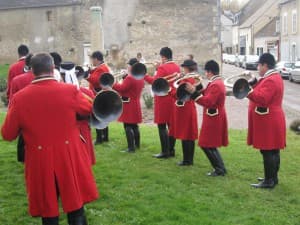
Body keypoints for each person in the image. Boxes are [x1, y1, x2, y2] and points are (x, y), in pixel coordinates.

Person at [1, 53, 99, 225]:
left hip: (39, 160)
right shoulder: (69, 90)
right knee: (75, 206)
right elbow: (90, 109)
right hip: (69, 156)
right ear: (53, 68)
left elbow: (8, 134)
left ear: (32, 71)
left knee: (48, 210)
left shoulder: (20, 98)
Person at [246, 53, 286, 189]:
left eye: (259, 65)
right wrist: (252, 83)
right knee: (273, 150)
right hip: (271, 118)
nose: (258, 67)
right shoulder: (272, 77)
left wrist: (247, 90)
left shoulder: (271, 79)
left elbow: (262, 98)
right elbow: (261, 89)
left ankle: (269, 181)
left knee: (268, 150)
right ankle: (272, 178)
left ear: (265, 65)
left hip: (269, 119)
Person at [186, 60, 228, 176]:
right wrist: (197, 86)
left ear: (209, 72)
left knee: (206, 144)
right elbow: (205, 92)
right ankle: (220, 168)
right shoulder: (215, 82)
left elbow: (208, 101)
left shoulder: (216, 84)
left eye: (206, 71)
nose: (205, 74)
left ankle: (219, 169)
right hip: (212, 116)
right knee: (209, 144)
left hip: (214, 117)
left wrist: (194, 93)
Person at [144, 47, 180, 158]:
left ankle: (165, 152)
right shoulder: (177, 67)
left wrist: (144, 75)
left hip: (163, 99)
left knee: (161, 125)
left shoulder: (162, 68)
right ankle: (171, 150)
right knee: (171, 125)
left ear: (163, 57)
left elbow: (154, 82)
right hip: (173, 99)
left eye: (161, 57)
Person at [60, 62, 96, 165]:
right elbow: (92, 111)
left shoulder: (59, 94)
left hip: (69, 130)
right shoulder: (87, 93)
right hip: (81, 129)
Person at [112, 58, 144, 153]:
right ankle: (137, 145)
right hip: (135, 103)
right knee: (135, 126)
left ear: (132, 66)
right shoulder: (140, 77)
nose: (127, 67)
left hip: (128, 104)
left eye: (129, 65)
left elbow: (121, 88)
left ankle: (131, 148)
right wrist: (124, 77)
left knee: (127, 126)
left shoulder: (130, 77)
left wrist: (113, 83)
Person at [171, 59, 198, 166]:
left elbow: (177, 94)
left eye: (184, 67)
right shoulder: (193, 78)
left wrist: (169, 89)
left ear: (186, 68)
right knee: (188, 135)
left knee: (186, 135)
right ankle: (188, 159)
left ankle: (187, 160)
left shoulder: (187, 80)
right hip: (188, 108)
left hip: (185, 109)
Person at [86, 51, 110, 144]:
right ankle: (105, 137)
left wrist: (87, 76)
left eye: (92, 59)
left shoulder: (101, 68)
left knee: (97, 115)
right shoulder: (102, 67)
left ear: (96, 59)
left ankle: (100, 138)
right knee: (103, 116)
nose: (92, 61)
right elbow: (96, 73)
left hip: (98, 95)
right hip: (101, 94)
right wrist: (90, 71)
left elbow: (96, 81)